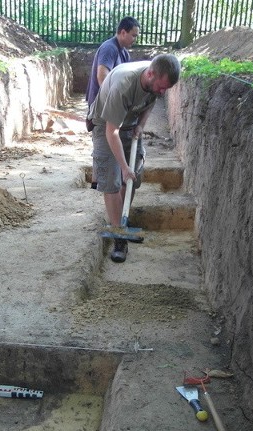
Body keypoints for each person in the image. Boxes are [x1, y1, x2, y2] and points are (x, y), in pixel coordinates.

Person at [88, 53, 181, 263]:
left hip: (130, 124)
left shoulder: (156, 82)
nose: (163, 92)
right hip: (106, 124)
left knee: (132, 179)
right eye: (161, 87)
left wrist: (140, 125)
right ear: (150, 74)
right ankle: (119, 237)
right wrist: (122, 166)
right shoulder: (124, 85)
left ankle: (122, 221)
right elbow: (112, 132)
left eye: (166, 88)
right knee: (111, 181)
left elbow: (150, 102)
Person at [86, 16, 140, 189]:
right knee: (103, 141)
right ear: (122, 32)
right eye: (133, 35)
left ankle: (101, 180)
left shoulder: (123, 51)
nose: (135, 39)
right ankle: (100, 181)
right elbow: (102, 76)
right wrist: (115, 103)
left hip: (109, 105)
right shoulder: (110, 48)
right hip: (101, 106)